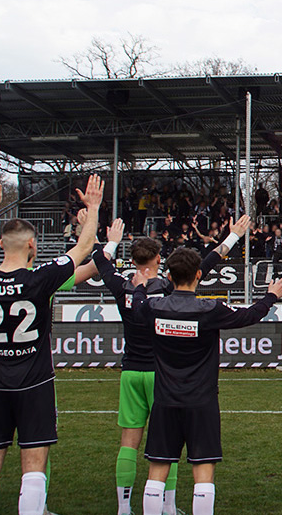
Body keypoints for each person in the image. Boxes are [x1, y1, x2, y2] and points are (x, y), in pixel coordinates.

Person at [91, 215, 252, 515]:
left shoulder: (123, 287)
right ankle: (169, 505)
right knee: (168, 446)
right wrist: (233, 236)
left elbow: (100, 263)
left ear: (133, 260)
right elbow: (206, 263)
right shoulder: (167, 287)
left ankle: (123, 507)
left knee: (129, 442)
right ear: (158, 259)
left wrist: (111, 242)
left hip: (131, 372)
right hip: (161, 375)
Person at [0, 175, 103, 515]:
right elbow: (84, 248)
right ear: (32, 245)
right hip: (35, 383)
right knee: (34, 464)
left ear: (2, 244)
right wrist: (94, 207)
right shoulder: (40, 278)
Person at [131, 248, 282, 515]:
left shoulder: (154, 307)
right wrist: (271, 295)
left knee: (157, 469)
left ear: (168, 276)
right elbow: (249, 316)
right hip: (201, 402)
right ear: (198, 275)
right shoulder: (210, 309)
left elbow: (137, 308)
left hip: (166, 401)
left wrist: (139, 287)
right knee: (203, 471)